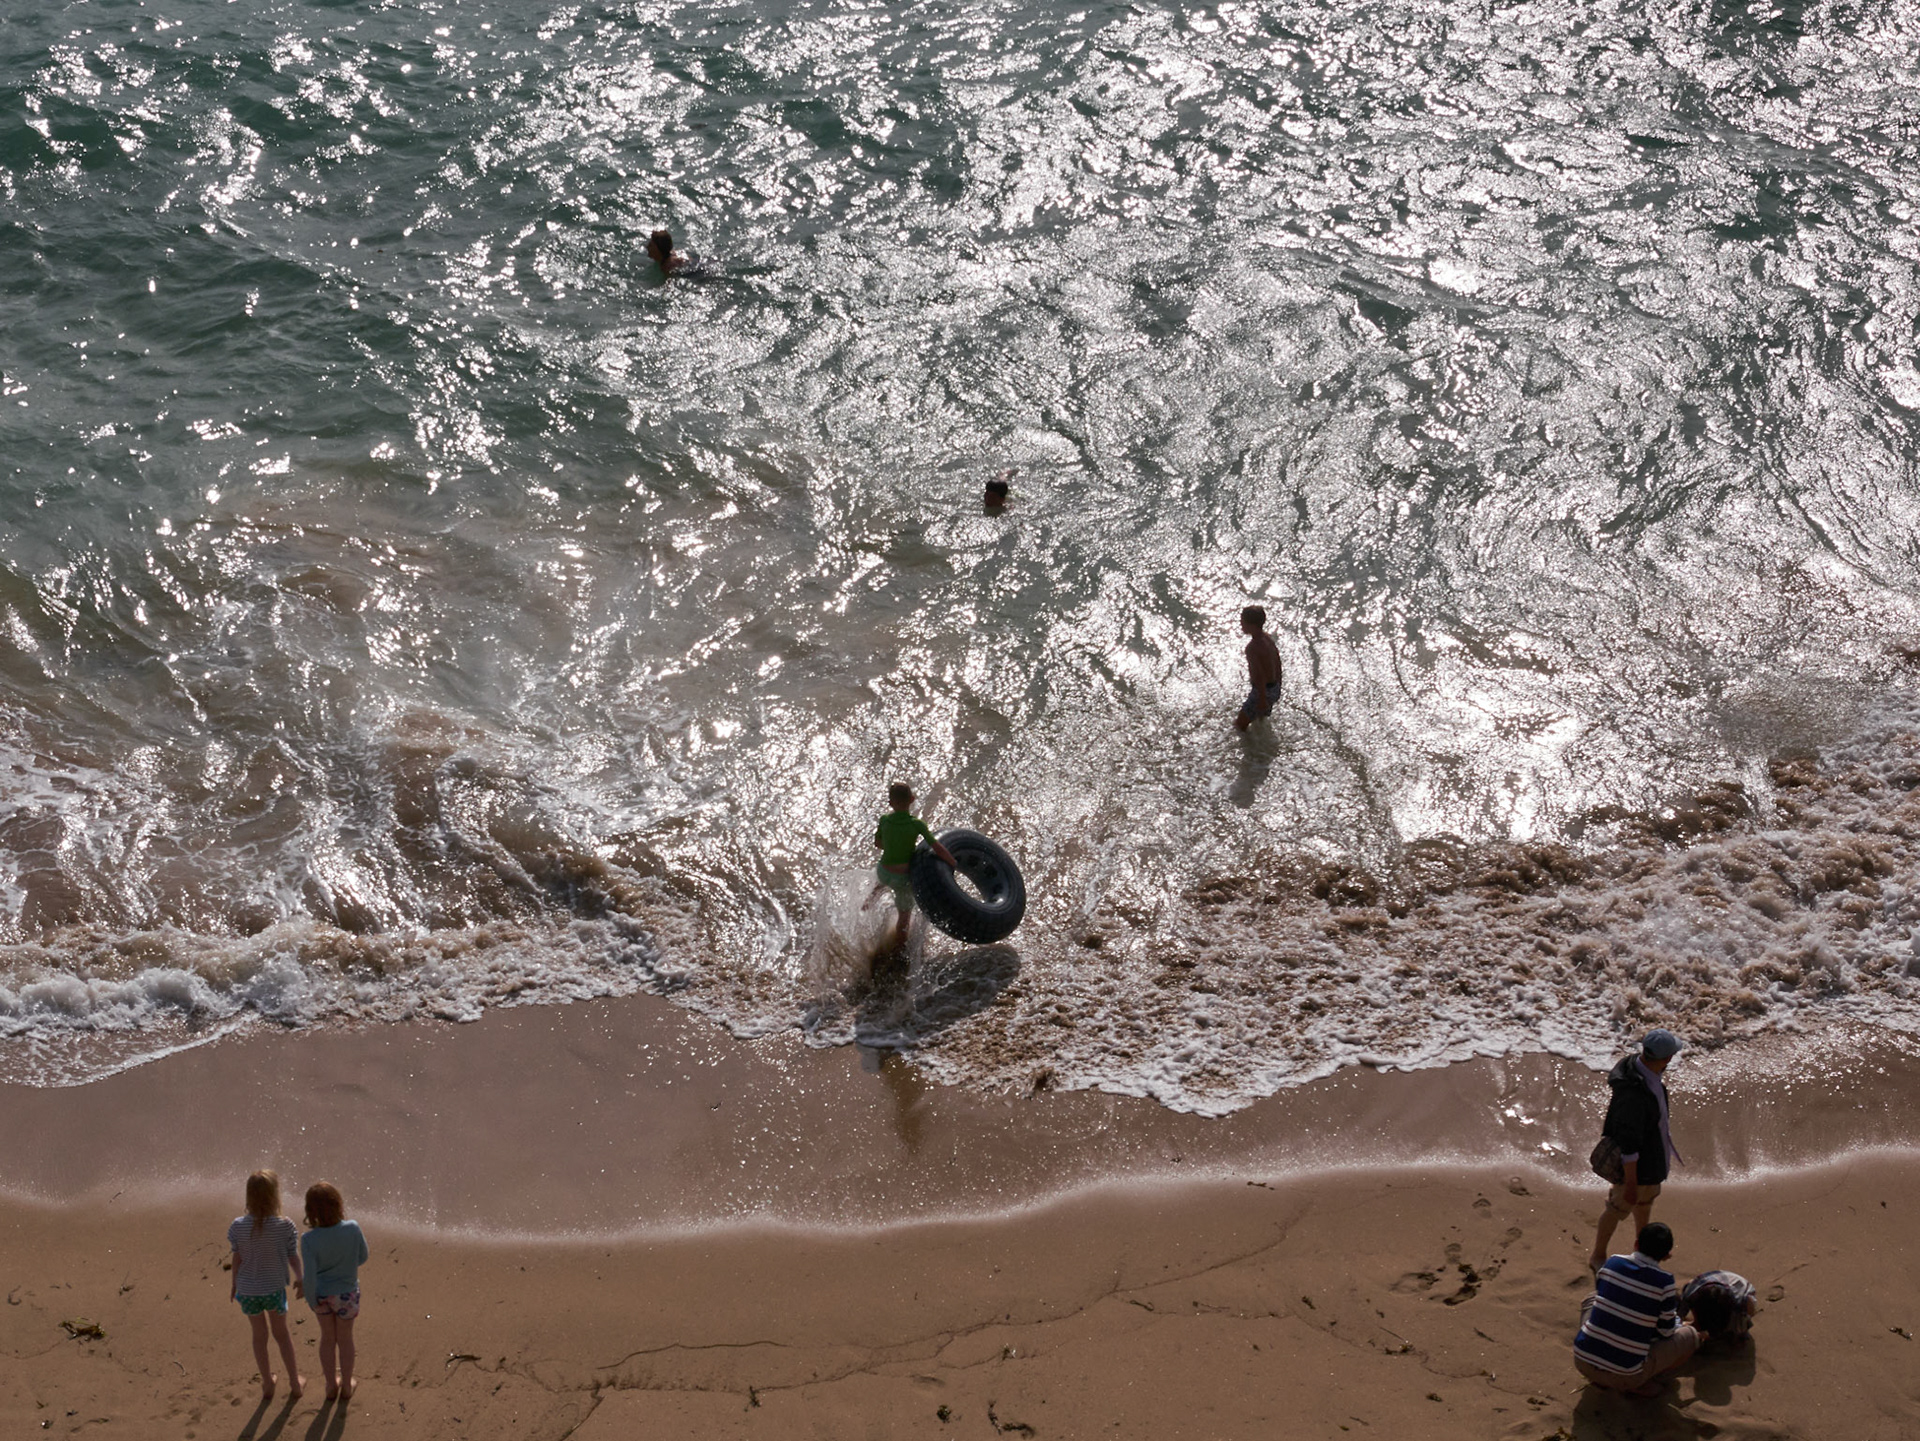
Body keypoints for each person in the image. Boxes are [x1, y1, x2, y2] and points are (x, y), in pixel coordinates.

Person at [1588, 1028, 1684, 1271]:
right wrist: (1631, 1183)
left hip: (1651, 1161)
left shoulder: (1642, 1070)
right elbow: (1629, 1144)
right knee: (1617, 1208)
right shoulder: (1634, 1094)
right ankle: (1598, 1255)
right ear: (1665, 1059)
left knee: (1645, 1204)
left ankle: (1645, 1252)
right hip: (1637, 1168)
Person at [1574, 1221, 1702, 1395]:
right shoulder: (1664, 1282)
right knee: (1691, 1337)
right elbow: (1666, 1332)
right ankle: (1641, 1382)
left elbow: (1604, 1293)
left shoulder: (1612, 1263)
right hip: (1625, 1375)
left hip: (1583, 1361)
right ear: (1666, 1256)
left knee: (1592, 1297)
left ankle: (1604, 1370)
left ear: (1636, 1244)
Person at [227, 1170, 305, 1401]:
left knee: (259, 1336)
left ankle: (268, 1382)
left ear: (248, 1197)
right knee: (282, 1335)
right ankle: (294, 1382)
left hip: (248, 1291)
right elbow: (293, 1256)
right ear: (275, 1196)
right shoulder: (284, 1225)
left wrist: (234, 1284)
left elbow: (237, 1258)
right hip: (273, 1289)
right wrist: (300, 1279)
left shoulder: (238, 1225)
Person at [300, 1181, 370, 1403]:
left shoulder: (309, 1239)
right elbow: (363, 1256)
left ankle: (331, 1385)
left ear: (310, 1212)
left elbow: (309, 1275)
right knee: (346, 1339)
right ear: (338, 1204)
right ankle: (347, 1385)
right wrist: (346, 1264)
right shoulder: (352, 1228)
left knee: (327, 1339)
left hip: (321, 1295)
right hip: (347, 1294)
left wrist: (312, 1300)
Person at [871, 782, 958, 951]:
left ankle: (871, 899)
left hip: (884, 871)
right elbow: (936, 846)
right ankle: (900, 947)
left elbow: (878, 844)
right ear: (912, 799)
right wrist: (952, 862)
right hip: (902, 879)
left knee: (884, 879)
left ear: (890, 803)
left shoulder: (884, 820)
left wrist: (893, 843)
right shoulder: (916, 824)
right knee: (904, 917)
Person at [1233, 606, 1282, 730]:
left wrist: (1261, 699)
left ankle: (1250, 747)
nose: (1241, 624)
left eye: (1242, 621)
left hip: (1262, 692)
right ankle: (1261, 744)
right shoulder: (1267, 638)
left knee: (1239, 725)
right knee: (1260, 721)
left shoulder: (1252, 647)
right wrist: (1278, 686)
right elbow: (1277, 661)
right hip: (1274, 688)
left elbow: (1259, 676)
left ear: (1251, 625)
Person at [1681, 1268, 1758, 1340]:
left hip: (1739, 1290)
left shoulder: (1741, 1304)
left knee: (1737, 1330)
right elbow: (1679, 1316)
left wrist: (1711, 1334)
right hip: (1711, 1280)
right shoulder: (1691, 1292)